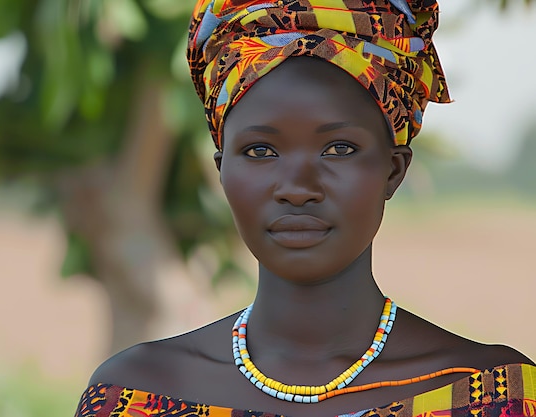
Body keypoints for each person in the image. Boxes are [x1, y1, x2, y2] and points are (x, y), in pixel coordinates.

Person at [74, 1, 536, 416]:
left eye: (338, 149)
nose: (297, 188)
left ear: (393, 171)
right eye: (260, 151)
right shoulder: (131, 397)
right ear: (222, 172)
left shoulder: (493, 396)